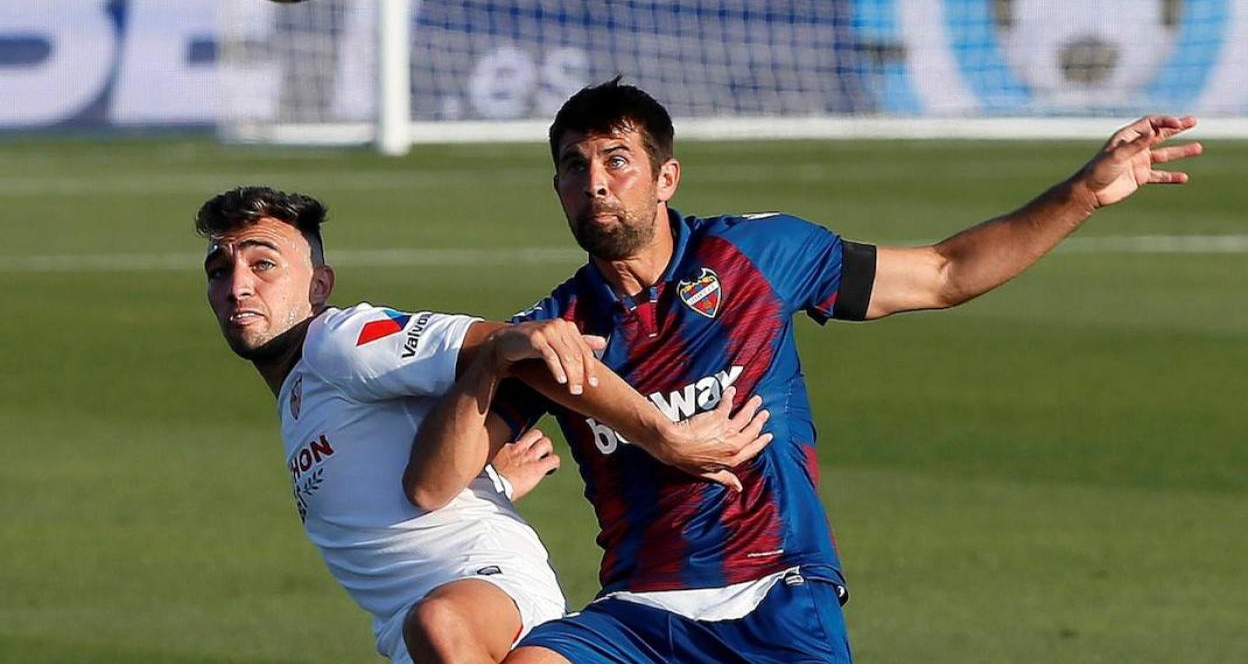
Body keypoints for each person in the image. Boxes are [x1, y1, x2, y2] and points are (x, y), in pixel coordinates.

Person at [405, 78, 1202, 664]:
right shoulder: (555, 331)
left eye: (618, 160)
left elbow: (945, 274)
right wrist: (491, 358)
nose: (597, 183)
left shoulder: (757, 255)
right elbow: (433, 486)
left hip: (776, 601)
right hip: (637, 619)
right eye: (576, 168)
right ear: (558, 191)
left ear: (666, 176)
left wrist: (1083, 196)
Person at [196, 187, 772, 664]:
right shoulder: (298, 391)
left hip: (480, 592)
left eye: (263, 263)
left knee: (439, 621)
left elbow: (529, 348)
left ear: (320, 285)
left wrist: (662, 437)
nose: (238, 285)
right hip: (417, 632)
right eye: (220, 271)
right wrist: (491, 487)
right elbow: (387, 489)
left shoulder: (337, 341)